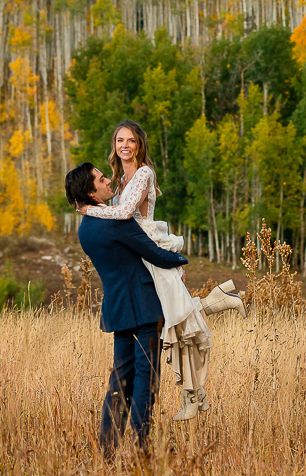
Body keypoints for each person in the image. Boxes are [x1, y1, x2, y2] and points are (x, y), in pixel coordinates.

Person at [78, 120, 244, 421]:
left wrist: (90, 209)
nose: (124, 145)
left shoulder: (143, 173)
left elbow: (125, 214)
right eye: (119, 140)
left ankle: (194, 394)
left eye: (130, 140)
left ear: (140, 145)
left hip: (148, 247)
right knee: (176, 318)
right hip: (137, 250)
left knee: (177, 320)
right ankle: (220, 301)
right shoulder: (120, 179)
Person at [66, 162, 186, 456]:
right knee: (147, 379)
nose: (108, 181)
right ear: (91, 192)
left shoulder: (87, 230)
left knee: (120, 381)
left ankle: (108, 449)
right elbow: (153, 252)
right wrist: (181, 260)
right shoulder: (116, 222)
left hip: (118, 311)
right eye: (101, 178)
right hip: (145, 309)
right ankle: (142, 446)